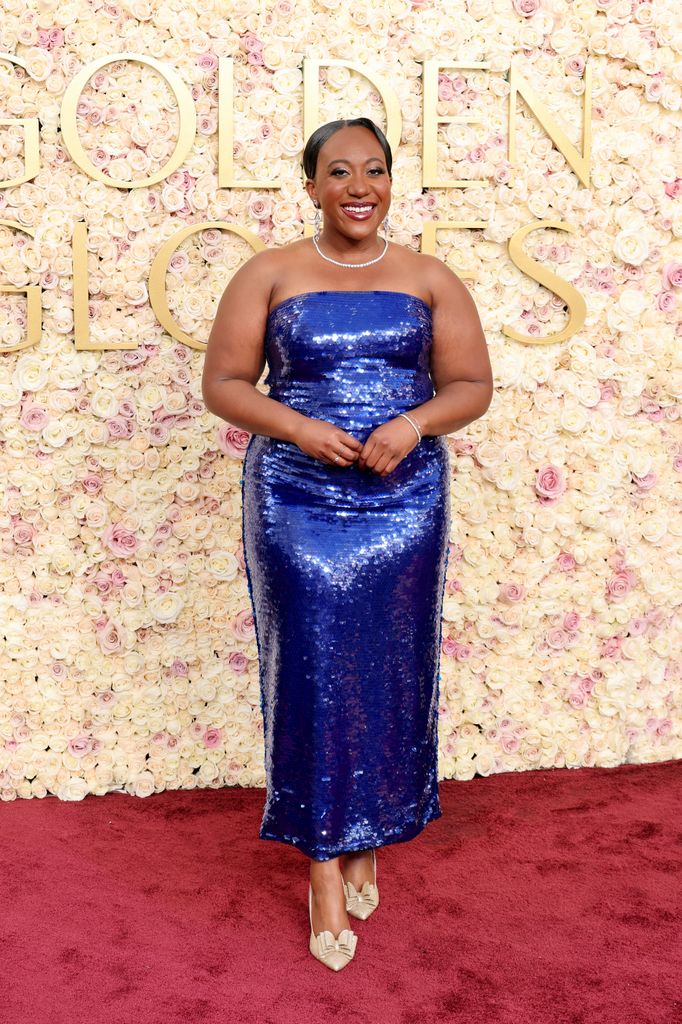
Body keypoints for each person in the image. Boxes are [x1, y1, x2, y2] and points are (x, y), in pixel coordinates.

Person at [202, 117, 493, 970]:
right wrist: (296, 427)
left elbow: (472, 386)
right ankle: (325, 868)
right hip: (296, 496)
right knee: (314, 670)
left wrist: (413, 423)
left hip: (405, 498)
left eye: (374, 170)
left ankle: (371, 828)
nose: (358, 186)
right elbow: (222, 383)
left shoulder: (430, 277)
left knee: (387, 668)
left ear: (391, 183)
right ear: (311, 186)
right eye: (338, 171)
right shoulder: (270, 272)